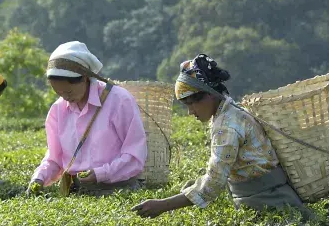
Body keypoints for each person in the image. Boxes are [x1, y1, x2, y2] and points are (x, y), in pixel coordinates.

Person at [131, 54, 314, 220]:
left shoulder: (226, 126)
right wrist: (190, 188)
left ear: (210, 96)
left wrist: (162, 205)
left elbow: (214, 183)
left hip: (269, 202)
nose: (190, 112)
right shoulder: (231, 111)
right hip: (264, 197)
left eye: (192, 104)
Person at [26, 41, 147, 196]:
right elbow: (55, 158)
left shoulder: (119, 100)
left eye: (68, 92)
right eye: (59, 93)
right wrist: (39, 178)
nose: (65, 98)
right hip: (77, 192)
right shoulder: (58, 110)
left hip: (118, 191)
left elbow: (134, 155)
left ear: (84, 78)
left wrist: (101, 173)